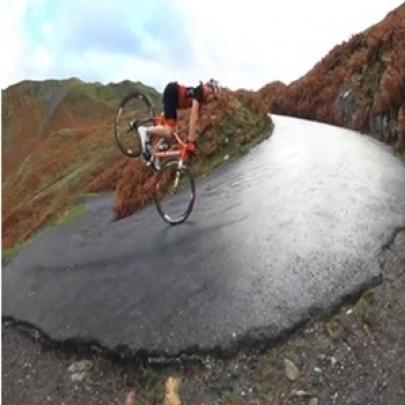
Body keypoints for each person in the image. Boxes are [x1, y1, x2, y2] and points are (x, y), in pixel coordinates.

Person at [138, 78, 220, 162]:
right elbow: (193, 117)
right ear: (208, 88)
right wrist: (191, 141)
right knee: (169, 131)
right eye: (212, 94)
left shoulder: (201, 99)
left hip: (173, 98)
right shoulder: (201, 91)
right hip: (172, 93)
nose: (211, 98)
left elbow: (196, 119)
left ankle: (154, 151)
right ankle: (145, 130)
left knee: (172, 132)